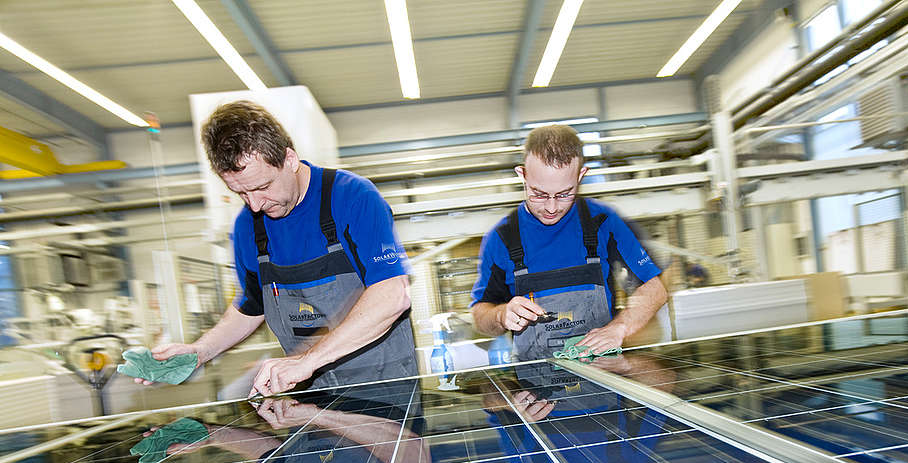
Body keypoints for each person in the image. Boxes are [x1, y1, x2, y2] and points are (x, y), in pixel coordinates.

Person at [139, 101, 416, 396]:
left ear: (289, 159)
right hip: (309, 395)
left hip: (386, 392)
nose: (255, 204)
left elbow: (391, 296)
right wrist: (200, 351)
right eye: (241, 193)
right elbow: (252, 305)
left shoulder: (352, 196)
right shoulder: (248, 225)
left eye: (262, 187)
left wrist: (307, 362)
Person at [470, 124, 667, 360]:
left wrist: (619, 328)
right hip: (536, 390)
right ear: (522, 175)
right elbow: (480, 315)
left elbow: (654, 290)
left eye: (564, 194)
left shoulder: (602, 222)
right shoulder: (501, 237)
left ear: (581, 176)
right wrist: (501, 315)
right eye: (539, 193)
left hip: (602, 377)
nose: (552, 208)